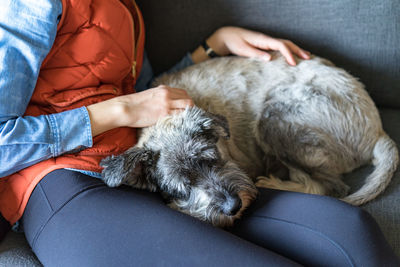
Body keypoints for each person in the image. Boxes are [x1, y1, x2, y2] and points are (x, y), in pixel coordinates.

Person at [0, 0, 398, 266]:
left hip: (162, 164)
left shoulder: (125, 7)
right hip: (66, 184)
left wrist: (211, 46)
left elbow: (149, 92)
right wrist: (120, 111)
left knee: (354, 237)